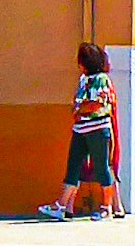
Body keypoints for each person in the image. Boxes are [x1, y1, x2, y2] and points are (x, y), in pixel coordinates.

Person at [41, 43, 120, 219]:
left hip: (98, 129)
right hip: (80, 129)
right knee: (73, 167)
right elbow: (77, 104)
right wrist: (79, 109)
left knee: (101, 168)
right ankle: (62, 205)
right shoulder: (83, 80)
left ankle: (106, 207)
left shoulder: (101, 79)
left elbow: (98, 104)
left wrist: (80, 109)